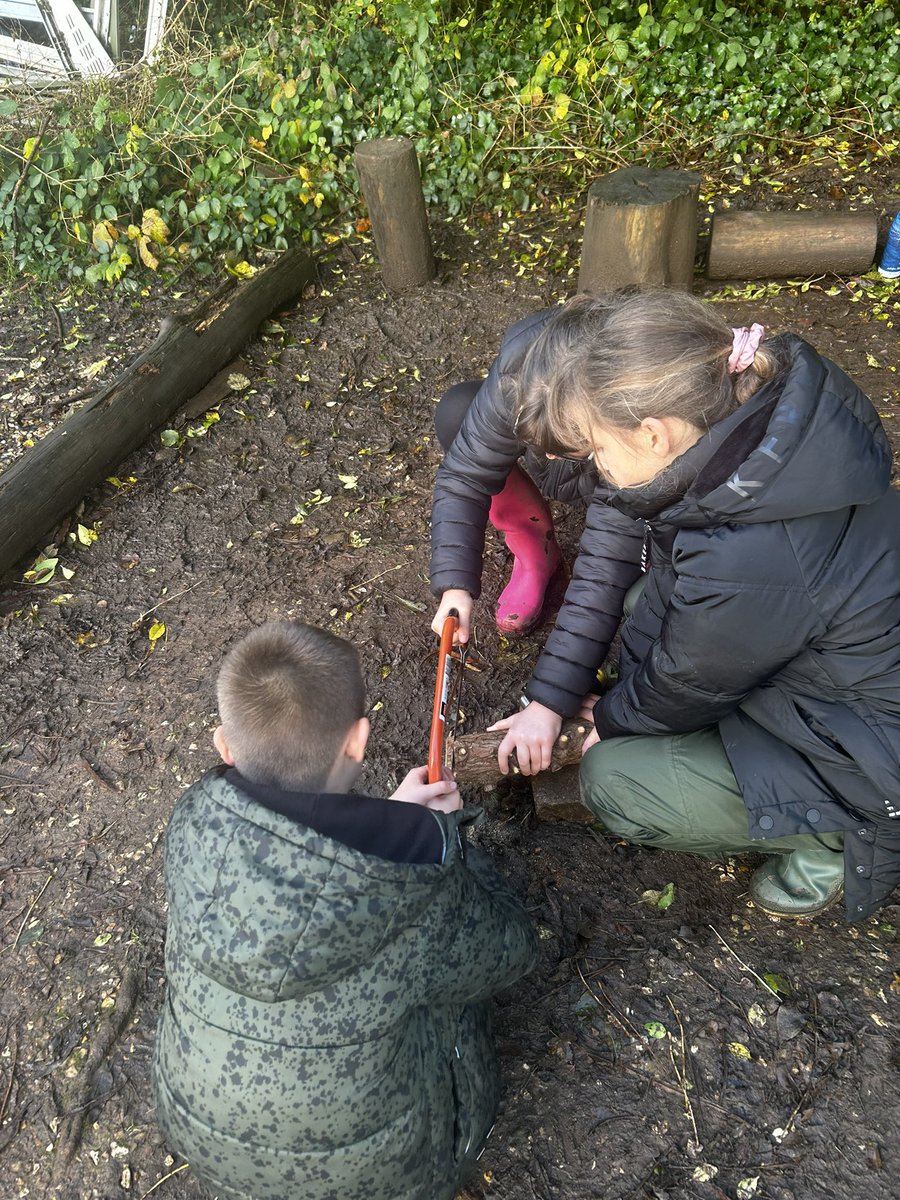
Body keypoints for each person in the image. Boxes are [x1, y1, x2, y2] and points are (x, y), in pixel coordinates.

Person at [513, 288, 900, 923]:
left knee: (616, 780)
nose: (595, 467)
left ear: (653, 434)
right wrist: (626, 692)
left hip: (870, 760)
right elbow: (686, 606)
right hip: (843, 682)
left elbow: (693, 678)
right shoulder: (758, 447)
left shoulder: (748, 552)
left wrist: (611, 718)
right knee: (644, 600)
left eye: (597, 449)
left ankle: (835, 839)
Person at [153, 620, 538, 1200]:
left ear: (224, 746)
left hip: (198, 1134)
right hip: (381, 1180)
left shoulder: (192, 827)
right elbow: (512, 950)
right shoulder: (412, 893)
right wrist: (443, 843)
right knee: (453, 990)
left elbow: (309, 874)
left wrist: (390, 817)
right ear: (358, 741)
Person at [430, 308, 645, 776]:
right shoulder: (525, 367)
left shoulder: (635, 420)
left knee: (635, 586)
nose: (543, 454)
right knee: (457, 411)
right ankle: (534, 549)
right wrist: (455, 586)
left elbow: (605, 568)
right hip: (588, 464)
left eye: (557, 439)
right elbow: (465, 475)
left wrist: (548, 701)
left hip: (628, 487)